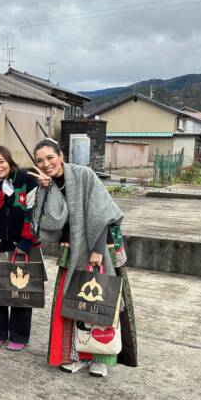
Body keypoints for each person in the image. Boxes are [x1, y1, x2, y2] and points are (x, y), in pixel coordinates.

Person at [32, 138, 138, 377]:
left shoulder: (84, 174)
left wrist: (97, 250)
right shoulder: (46, 185)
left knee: (102, 303)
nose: (46, 163)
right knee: (72, 303)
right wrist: (44, 190)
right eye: (40, 160)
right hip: (72, 249)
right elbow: (49, 222)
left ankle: (102, 358)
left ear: (61, 155)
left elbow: (103, 213)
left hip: (99, 247)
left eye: (50, 157)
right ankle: (77, 356)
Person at [0, 146, 39, 351]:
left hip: (23, 246)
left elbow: (34, 212)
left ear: (10, 161)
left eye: (1, 161)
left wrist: (26, 241)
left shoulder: (26, 179)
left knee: (22, 291)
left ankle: (19, 335)